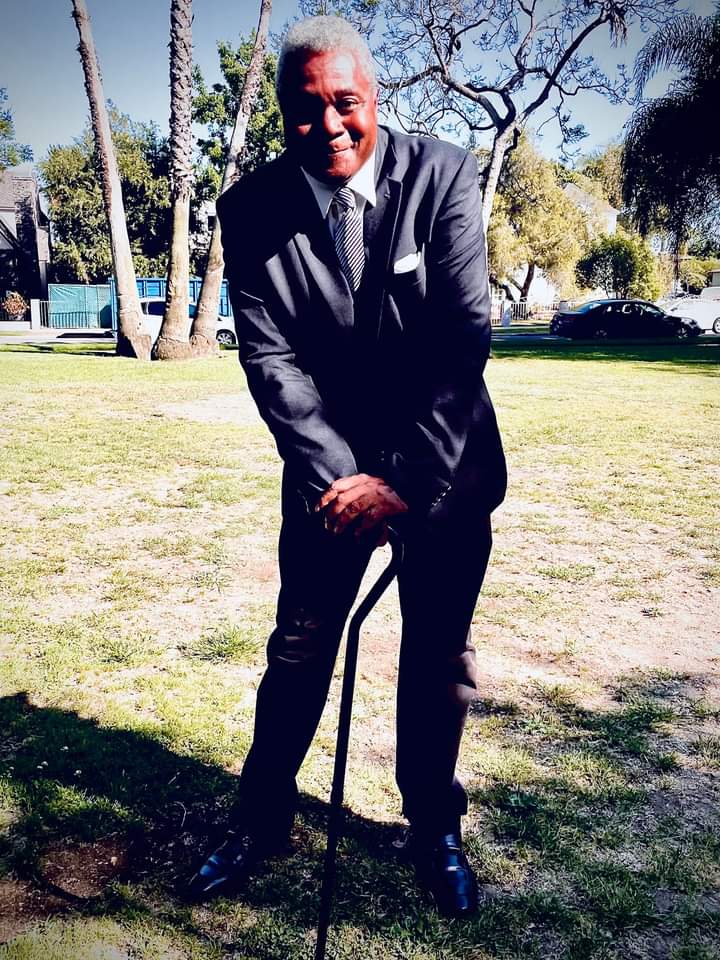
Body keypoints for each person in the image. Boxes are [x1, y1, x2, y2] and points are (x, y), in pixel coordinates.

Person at [188, 15, 506, 918]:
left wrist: (400, 478)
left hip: (441, 473)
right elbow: (271, 362)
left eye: (345, 102)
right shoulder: (249, 209)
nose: (328, 124)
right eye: (305, 107)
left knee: (438, 657)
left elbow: (462, 339)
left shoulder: (441, 174)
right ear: (283, 111)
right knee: (297, 652)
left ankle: (433, 827)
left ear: (374, 99)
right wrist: (342, 482)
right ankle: (259, 820)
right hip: (328, 486)